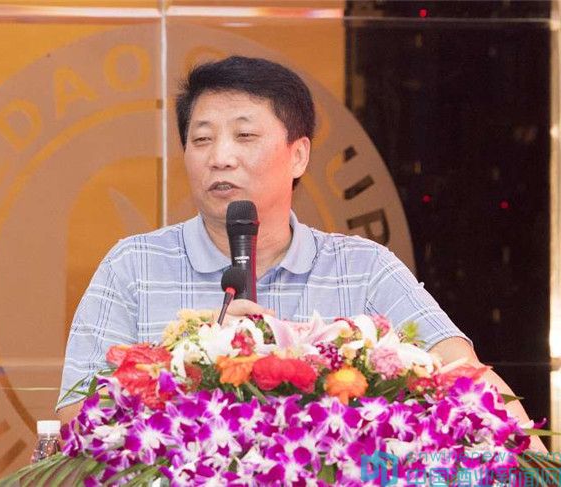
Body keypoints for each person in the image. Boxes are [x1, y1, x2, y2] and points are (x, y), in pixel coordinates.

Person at [56, 56, 544, 450]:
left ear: (299, 155)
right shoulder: (134, 265)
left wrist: (537, 463)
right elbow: (79, 419)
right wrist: (194, 359)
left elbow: (462, 373)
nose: (220, 157)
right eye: (201, 139)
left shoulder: (363, 269)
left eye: (245, 136)